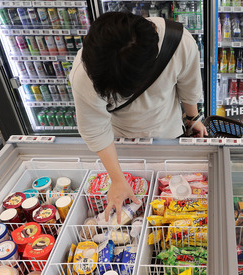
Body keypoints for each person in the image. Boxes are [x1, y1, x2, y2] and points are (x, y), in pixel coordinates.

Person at [70, 12, 207, 222]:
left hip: (169, 133)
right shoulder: (86, 73)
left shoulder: (180, 42)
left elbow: (188, 87)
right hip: (120, 145)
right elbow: (95, 129)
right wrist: (117, 179)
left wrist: (193, 118)